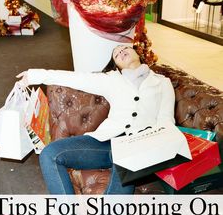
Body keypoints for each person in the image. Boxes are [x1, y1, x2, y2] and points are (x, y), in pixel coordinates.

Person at [17, 45, 175, 195]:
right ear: (116, 65)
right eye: (116, 54)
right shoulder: (111, 79)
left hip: (138, 146)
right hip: (105, 143)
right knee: (49, 154)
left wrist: (159, 146)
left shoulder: (162, 82)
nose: (121, 52)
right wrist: (34, 75)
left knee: (123, 177)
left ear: (138, 54)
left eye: (125, 48)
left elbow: (166, 120)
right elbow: (75, 78)